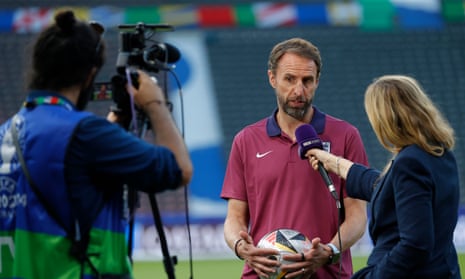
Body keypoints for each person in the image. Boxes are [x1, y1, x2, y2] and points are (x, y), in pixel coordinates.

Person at [0, 10, 192, 279]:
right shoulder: (85, 133)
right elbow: (179, 170)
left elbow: (71, 165)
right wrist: (154, 104)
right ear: (90, 75)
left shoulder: (6, 133)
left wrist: (116, 118)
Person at [221, 37, 369, 279]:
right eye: (289, 79)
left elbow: (357, 216)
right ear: (272, 78)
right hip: (262, 274)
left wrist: (330, 250)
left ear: (317, 81)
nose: (299, 90)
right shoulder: (246, 140)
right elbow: (235, 217)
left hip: (326, 274)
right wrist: (241, 246)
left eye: (307, 81)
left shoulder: (346, 136)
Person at [307, 75, 462, 279]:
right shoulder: (439, 154)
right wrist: (333, 162)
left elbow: (415, 244)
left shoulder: (410, 162)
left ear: (386, 118)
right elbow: (383, 186)